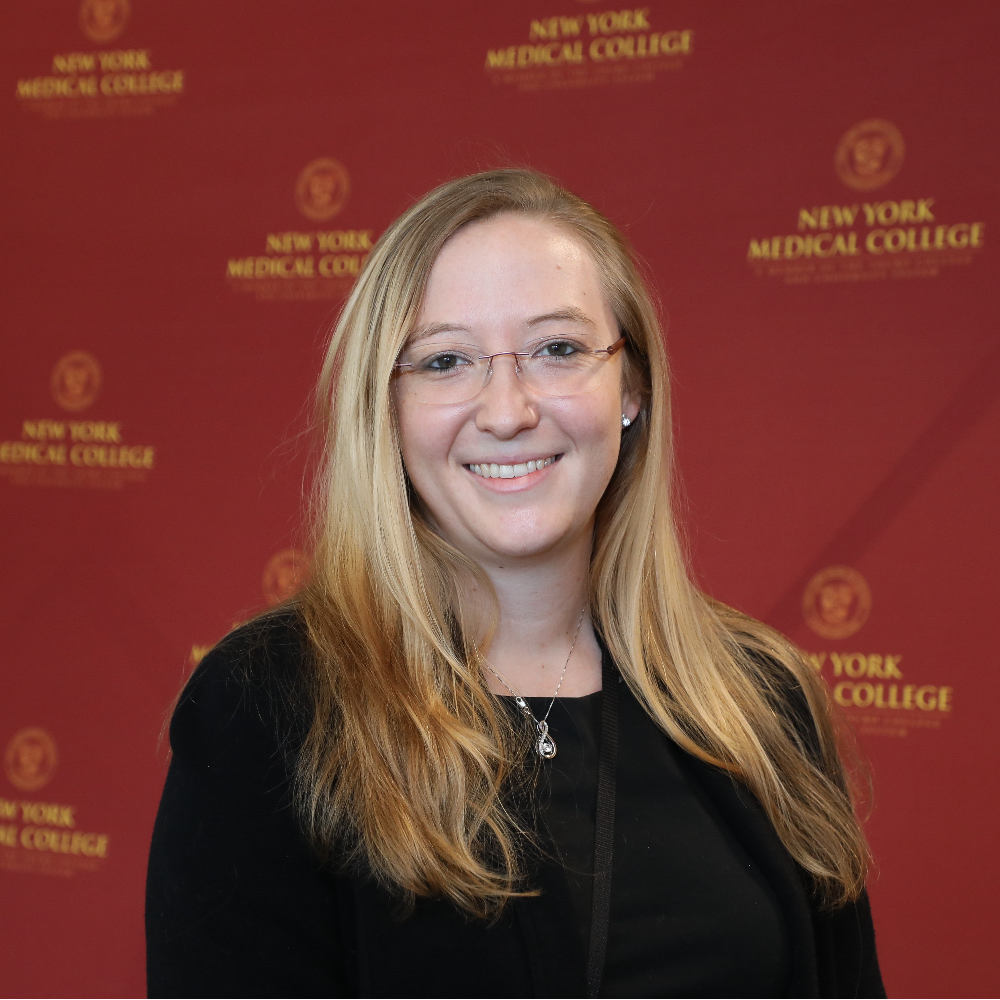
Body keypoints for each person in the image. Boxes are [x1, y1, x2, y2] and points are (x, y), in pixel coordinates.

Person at [146, 169, 885, 999]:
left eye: (559, 350)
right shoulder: (269, 707)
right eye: (446, 361)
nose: (506, 411)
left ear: (631, 387)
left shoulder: (763, 698)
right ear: (384, 409)